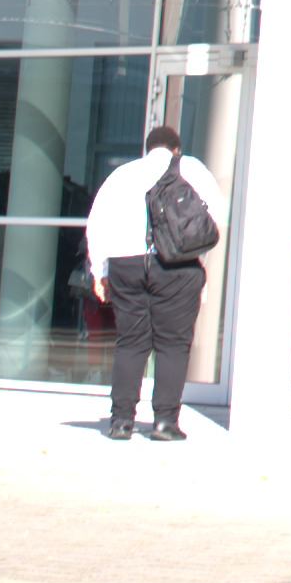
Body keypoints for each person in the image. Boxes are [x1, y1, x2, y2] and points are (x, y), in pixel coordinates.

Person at [83, 112, 224, 440]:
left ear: (147, 149)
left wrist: (100, 272)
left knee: (130, 342)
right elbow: (212, 221)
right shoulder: (191, 169)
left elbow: (97, 224)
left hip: (126, 264)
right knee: (173, 344)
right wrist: (198, 261)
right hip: (177, 265)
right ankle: (164, 423)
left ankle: (121, 422)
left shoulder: (121, 174)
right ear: (177, 149)